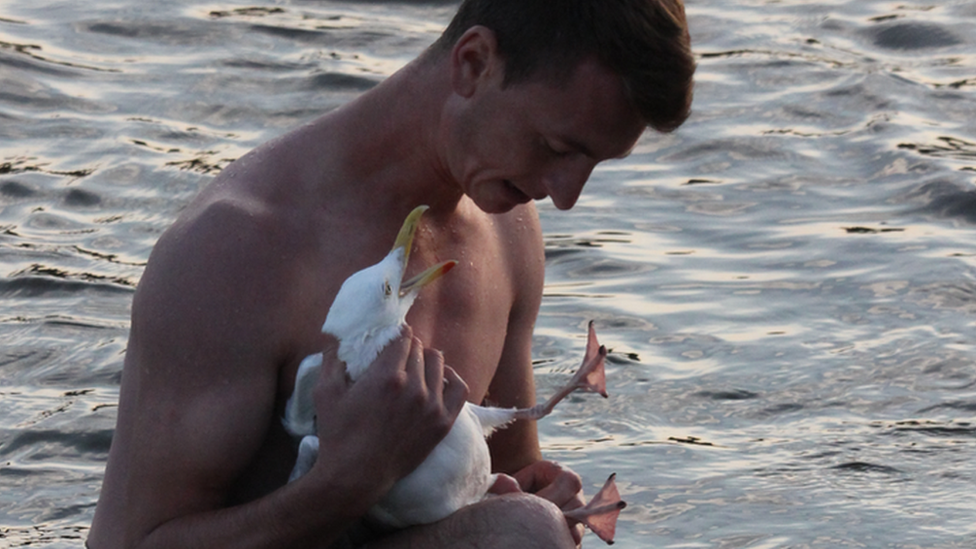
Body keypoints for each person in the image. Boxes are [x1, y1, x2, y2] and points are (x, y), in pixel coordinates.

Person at [87, 0, 695, 547]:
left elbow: (504, 473)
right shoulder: (241, 249)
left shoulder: (508, 233)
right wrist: (348, 482)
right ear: (474, 63)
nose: (566, 196)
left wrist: (527, 491)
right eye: (558, 148)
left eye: (594, 161)